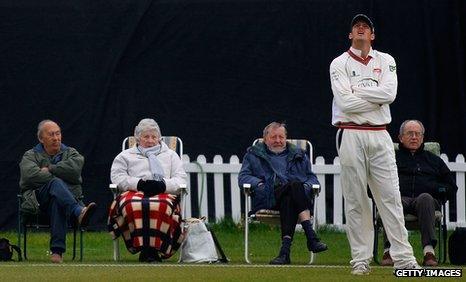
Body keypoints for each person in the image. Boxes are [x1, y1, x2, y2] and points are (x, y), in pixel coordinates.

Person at [329, 14, 420, 274]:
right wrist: (374, 99)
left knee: (390, 197)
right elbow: (344, 103)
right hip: (350, 133)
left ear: (372, 35)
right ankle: (360, 260)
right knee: (356, 199)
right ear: (350, 35)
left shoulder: (386, 60)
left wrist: (356, 91)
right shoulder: (339, 63)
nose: (361, 28)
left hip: (380, 134)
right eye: (356, 26)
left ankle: (404, 258)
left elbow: (389, 94)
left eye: (366, 27)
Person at [238, 122, 327, 265]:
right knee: (294, 187)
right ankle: (311, 236)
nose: (278, 141)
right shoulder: (253, 155)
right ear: (265, 139)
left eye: (281, 137)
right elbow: (243, 178)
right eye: (274, 137)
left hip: (293, 200)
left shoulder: (299, 155)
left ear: (286, 138)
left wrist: (306, 186)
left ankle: (284, 253)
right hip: (268, 197)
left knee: (290, 196)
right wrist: (259, 184)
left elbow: (312, 178)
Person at [380, 120, 458, 267]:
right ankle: (389, 250)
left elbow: (450, 187)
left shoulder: (434, 160)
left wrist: (436, 189)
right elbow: (375, 183)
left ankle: (429, 252)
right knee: (394, 200)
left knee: (425, 198)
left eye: (418, 134)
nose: (414, 137)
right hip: (399, 199)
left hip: (426, 202)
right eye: (410, 134)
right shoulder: (390, 159)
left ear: (422, 138)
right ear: (400, 137)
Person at [108, 118, 187, 262]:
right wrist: (138, 184)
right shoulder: (125, 156)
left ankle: (154, 250)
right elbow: (117, 177)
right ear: (138, 138)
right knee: (133, 205)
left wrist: (163, 185)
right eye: (146, 137)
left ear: (159, 138)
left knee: (161, 206)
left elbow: (181, 179)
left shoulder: (170, 155)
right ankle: (144, 249)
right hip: (134, 191)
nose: (150, 141)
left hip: (163, 192)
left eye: (154, 137)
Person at [19, 120, 96, 263]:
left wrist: (51, 168)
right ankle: (79, 211)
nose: (56, 138)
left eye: (58, 133)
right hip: (39, 202)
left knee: (58, 199)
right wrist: (59, 174)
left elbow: (74, 171)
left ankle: (56, 252)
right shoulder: (30, 155)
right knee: (55, 183)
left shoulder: (71, 153)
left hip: (63, 202)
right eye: (51, 135)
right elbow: (29, 177)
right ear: (41, 139)